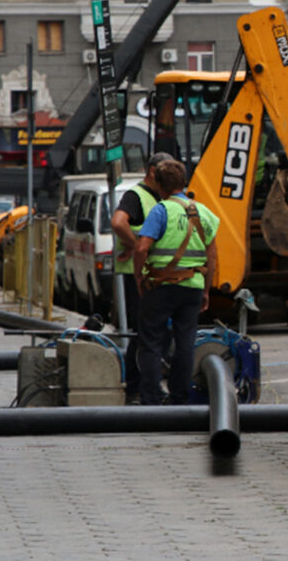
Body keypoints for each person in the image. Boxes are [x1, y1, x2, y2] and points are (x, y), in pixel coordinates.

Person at [132, 159, 219, 406]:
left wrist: (139, 276)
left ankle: (151, 397)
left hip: (160, 288)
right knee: (186, 343)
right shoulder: (204, 213)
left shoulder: (160, 211)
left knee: (151, 343)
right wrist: (205, 290)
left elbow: (142, 247)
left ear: (159, 185)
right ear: (184, 183)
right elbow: (212, 258)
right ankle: (179, 398)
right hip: (192, 287)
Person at [109, 151, 173, 403]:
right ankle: (137, 387)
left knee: (150, 333)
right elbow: (118, 222)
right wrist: (137, 245)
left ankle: (141, 386)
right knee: (145, 334)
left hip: (150, 277)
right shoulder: (136, 196)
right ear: (153, 172)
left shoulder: (158, 197)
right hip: (135, 277)